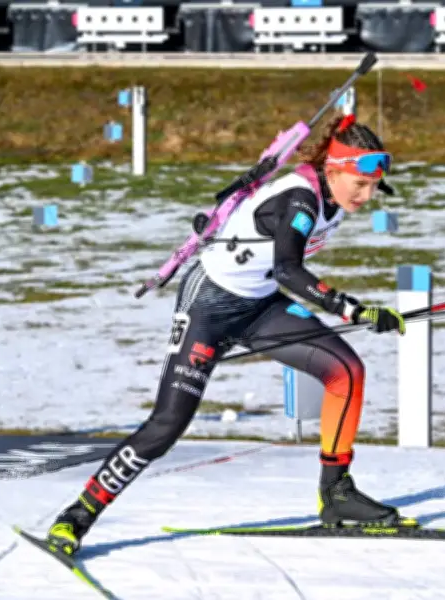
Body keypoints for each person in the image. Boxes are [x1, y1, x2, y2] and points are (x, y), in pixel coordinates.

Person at [46, 114, 408, 556]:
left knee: (346, 371)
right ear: (333, 169)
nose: (368, 196)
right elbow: (288, 269)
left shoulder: (332, 192)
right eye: (361, 184)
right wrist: (350, 308)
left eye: (374, 187)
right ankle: (78, 515)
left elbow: (279, 274)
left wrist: (357, 311)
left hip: (259, 306)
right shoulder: (301, 199)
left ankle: (336, 493)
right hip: (209, 307)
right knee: (166, 425)